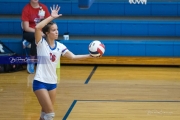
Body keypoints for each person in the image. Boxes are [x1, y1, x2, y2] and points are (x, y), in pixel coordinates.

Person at [33, 5, 99, 120]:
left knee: (44, 114)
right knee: (50, 114)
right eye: (54, 30)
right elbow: (37, 28)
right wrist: (51, 17)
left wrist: (89, 56)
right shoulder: (41, 43)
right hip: (40, 82)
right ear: (47, 33)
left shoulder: (60, 46)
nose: (57, 32)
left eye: (57, 29)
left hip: (52, 83)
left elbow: (73, 57)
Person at [21, 0, 50, 74]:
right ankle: (31, 61)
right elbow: (26, 28)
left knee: (46, 37)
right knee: (36, 38)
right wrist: (38, 32)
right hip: (29, 32)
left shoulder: (44, 8)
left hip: (42, 32)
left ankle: (27, 43)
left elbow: (48, 23)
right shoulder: (26, 9)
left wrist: (43, 32)